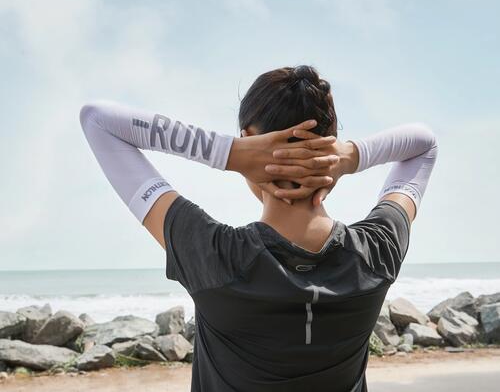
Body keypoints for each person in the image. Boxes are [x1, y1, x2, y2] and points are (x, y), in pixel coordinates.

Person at [79, 65, 438, 392]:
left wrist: (230, 153)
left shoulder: (214, 256)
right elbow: (423, 144)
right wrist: (350, 156)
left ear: (250, 137)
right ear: (332, 143)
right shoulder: (375, 251)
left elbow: (97, 120)